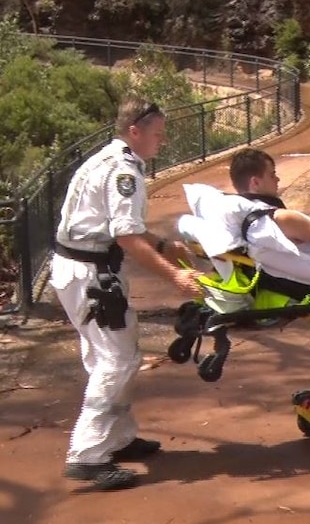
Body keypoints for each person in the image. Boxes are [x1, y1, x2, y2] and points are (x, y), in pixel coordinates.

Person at [50, 97, 203, 490]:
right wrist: (175, 277)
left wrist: (164, 245)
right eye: (157, 134)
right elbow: (128, 238)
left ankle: (116, 438)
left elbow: (118, 227)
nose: (162, 142)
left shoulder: (106, 157)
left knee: (108, 356)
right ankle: (87, 455)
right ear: (134, 130)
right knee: (117, 360)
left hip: (79, 270)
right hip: (92, 275)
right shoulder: (125, 172)